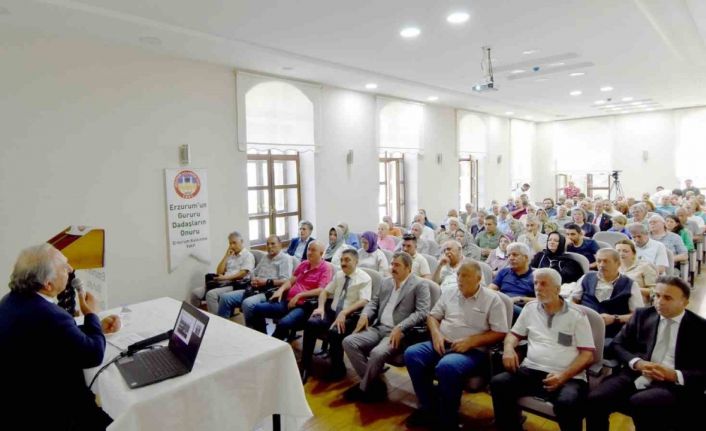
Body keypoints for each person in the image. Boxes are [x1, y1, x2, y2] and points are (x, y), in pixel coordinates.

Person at [0, 244, 121, 430]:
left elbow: (50, 336)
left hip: (17, 404)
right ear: (47, 284)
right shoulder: (51, 315)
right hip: (53, 411)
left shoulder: (10, 302)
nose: (71, 269)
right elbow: (93, 354)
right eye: (64, 267)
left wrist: (94, 327)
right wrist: (92, 314)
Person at [586, 277, 706, 431]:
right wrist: (637, 362)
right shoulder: (643, 315)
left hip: (672, 384)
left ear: (685, 302)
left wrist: (674, 375)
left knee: (642, 404)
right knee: (595, 399)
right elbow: (617, 344)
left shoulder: (700, 328)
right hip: (636, 372)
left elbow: (702, 370)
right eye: (656, 295)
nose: (659, 301)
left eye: (667, 298)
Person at [404, 261, 508, 430]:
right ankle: (428, 406)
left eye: (465, 276)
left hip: (472, 350)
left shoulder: (492, 299)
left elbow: (500, 332)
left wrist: (472, 341)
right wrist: (436, 333)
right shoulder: (450, 292)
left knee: (447, 366)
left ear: (478, 279)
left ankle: (448, 417)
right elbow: (432, 317)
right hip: (442, 342)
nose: (459, 279)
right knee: (412, 354)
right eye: (458, 274)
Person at [490, 268, 595, 431]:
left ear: (558, 289)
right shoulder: (530, 308)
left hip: (568, 376)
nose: (538, 288)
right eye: (535, 283)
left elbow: (588, 355)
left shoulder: (576, 315)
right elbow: (513, 334)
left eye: (544, 284)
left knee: (567, 403)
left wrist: (563, 376)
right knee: (499, 383)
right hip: (532, 369)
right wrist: (509, 348)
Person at [342, 252, 430, 403]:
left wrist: (401, 327)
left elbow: (422, 312)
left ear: (408, 268)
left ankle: (364, 389)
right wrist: (365, 315)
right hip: (378, 327)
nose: (392, 268)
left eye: (397, 265)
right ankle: (373, 384)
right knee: (349, 342)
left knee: (377, 353)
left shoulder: (419, 284)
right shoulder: (386, 282)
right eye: (392, 264)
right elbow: (373, 303)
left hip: (397, 333)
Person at [301, 249, 371, 383]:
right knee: (311, 323)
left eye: (347, 260)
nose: (343, 263)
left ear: (356, 261)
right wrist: (321, 307)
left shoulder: (365, 278)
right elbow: (324, 292)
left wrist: (345, 313)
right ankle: (306, 365)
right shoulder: (339, 275)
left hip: (350, 316)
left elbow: (364, 301)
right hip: (332, 312)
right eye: (342, 260)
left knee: (334, 332)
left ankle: (338, 369)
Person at [249, 241, 333, 339]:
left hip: (303, 306)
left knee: (283, 324)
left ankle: (273, 345)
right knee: (257, 309)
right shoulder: (304, 264)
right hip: (287, 301)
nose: (309, 252)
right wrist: (281, 290)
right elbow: (291, 281)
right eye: (308, 249)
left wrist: (299, 295)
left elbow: (321, 290)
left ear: (321, 253)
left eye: (313, 250)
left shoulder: (326, 268)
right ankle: (262, 338)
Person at [571, 249, 644, 341]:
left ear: (618, 264)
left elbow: (637, 315)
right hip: (584, 328)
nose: (601, 265)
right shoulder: (586, 278)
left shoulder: (630, 284)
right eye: (599, 261)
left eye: (606, 261)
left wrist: (615, 318)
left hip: (613, 334)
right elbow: (573, 301)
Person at [217, 235, 292, 321]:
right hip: (254, 288)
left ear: (280, 244)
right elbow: (254, 272)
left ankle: (255, 331)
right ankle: (223, 328)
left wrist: (266, 282)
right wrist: (253, 279)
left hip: (268, 291)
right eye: (267, 244)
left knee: (247, 303)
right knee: (224, 298)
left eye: (273, 244)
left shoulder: (285, 259)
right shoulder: (265, 257)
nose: (269, 246)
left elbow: (286, 281)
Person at [190, 231, 255, 313]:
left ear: (241, 242)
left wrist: (226, 277)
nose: (232, 246)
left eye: (234, 243)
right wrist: (226, 256)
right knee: (195, 293)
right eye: (230, 243)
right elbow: (219, 271)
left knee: (211, 294)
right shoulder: (231, 255)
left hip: (236, 284)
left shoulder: (248, 256)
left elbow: (243, 274)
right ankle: (197, 317)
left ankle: (216, 323)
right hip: (223, 282)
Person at [488, 242, 535, 318]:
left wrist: (520, 299)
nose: (511, 258)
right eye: (509, 255)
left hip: (523, 310)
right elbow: (489, 290)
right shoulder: (504, 272)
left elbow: (542, 300)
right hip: (502, 304)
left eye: (515, 255)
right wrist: (505, 299)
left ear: (526, 257)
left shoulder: (536, 276)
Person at [616, 239, 657, 304]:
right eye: (618, 251)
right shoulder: (613, 267)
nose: (621, 254)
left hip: (638, 303)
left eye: (625, 251)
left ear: (634, 253)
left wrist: (632, 289)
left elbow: (655, 291)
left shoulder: (645, 267)